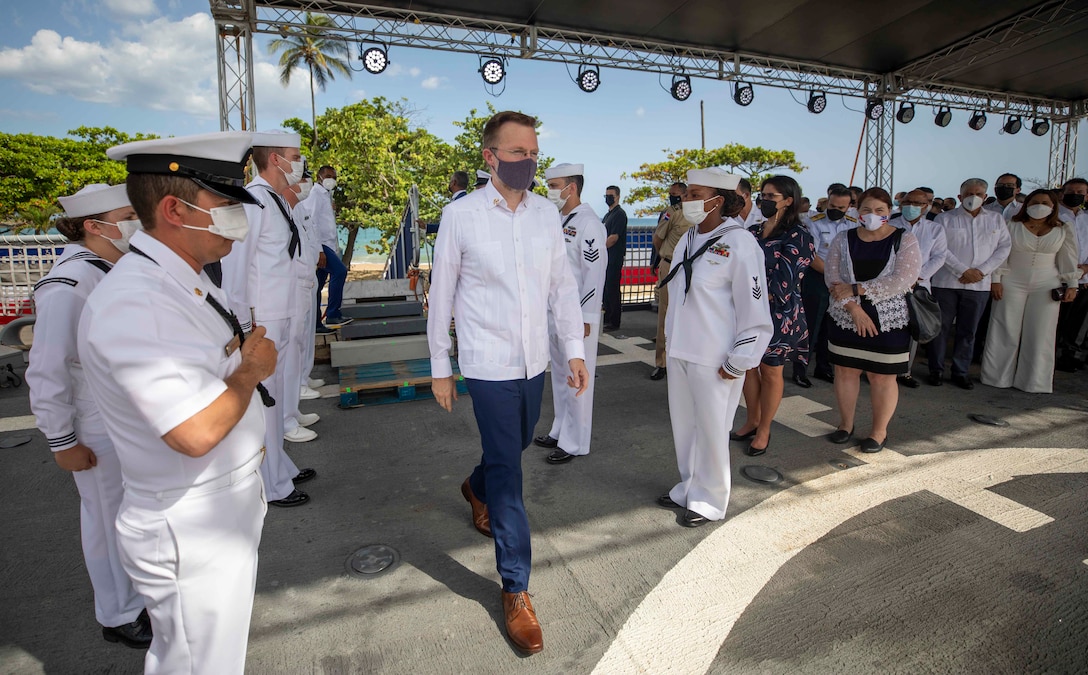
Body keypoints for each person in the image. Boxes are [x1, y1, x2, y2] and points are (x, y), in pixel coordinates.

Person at [80, 131, 277, 673]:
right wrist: (252, 371)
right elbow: (192, 432)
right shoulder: (137, 301)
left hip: (219, 507)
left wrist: (239, 358)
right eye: (226, 203)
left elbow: (209, 360)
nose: (238, 215)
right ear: (173, 209)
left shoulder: (183, 279)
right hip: (189, 523)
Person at [426, 111, 589, 655]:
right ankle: (516, 586)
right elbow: (441, 294)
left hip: (533, 361)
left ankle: (476, 486)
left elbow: (562, 288)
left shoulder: (546, 215)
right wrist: (440, 366)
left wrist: (574, 351)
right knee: (513, 475)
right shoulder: (462, 215)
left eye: (534, 152)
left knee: (511, 447)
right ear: (490, 157)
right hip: (487, 361)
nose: (529, 162)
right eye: (518, 153)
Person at [26, 184, 151, 649]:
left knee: (131, 515)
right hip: (95, 424)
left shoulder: (112, 268)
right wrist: (61, 440)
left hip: (124, 416)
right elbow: (47, 367)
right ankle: (119, 612)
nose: (136, 223)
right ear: (93, 226)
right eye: (127, 215)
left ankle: (138, 598)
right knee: (106, 518)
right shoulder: (70, 284)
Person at [656, 167, 772, 526]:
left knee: (712, 430)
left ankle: (710, 499)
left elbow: (755, 310)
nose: (686, 200)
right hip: (682, 349)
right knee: (685, 426)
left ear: (717, 201)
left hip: (716, 355)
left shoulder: (740, 243)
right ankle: (689, 485)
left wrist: (742, 358)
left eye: (694, 195)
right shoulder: (689, 236)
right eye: (686, 194)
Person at [220, 129, 315, 505]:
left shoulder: (276, 201)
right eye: (295, 155)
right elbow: (235, 267)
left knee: (275, 401)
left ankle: (280, 467)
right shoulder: (253, 202)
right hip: (265, 320)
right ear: (275, 159)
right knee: (265, 403)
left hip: (286, 311)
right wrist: (243, 328)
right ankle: (270, 485)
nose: (299, 162)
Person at [825, 188, 922, 453]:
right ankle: (845, 425)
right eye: (866, 210)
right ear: (857, 212)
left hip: (888, 319)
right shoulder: (843, 239)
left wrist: (857, 289)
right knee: (846, 371)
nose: (872, 215)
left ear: (889, 213)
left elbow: (903, 279)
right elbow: (833, 278)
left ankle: (879, 432)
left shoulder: (905, 239)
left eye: (880, 210)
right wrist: (854, 308)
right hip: (846, 315)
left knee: (882, 376)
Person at [730, 176, 814, 456]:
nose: (765, 200)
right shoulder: (752, 231)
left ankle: (764, 428)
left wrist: (751, 296)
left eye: (772, 196)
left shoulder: (798, 235)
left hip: (779, 311)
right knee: (748, 367)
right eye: (762, 195)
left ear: (788, 201)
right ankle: (751, 419)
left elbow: (787, 280)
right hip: (748, 309)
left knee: (771, 369)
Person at [532, 163, 607, 463]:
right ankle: (560, 429)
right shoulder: (559, 219)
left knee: (577, 380)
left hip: (577, 316)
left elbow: (594, 272)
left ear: (571, 188)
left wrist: (587, 317)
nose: (550, 192)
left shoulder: (588, 223)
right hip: (555, 312)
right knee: (561, 376)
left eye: (554, 185)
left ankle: (575, 442)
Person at [981, 189, 1080, 393]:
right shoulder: (1011, 225)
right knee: (1004, 328)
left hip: (1047, 283)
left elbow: (1068, 257)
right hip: (1012, 280)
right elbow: (1001, 254)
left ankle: (1034, 382)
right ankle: (996, 377)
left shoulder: (1063, 228)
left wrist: (1072, 284)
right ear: (1027, 204)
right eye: (1035, 201)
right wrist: (996, 280)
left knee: (1041, 332)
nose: (1040, 205)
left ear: (1053, 206)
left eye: (1045, 202)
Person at [927, 178, 1011, 389]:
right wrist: (964, 270)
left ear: (985, 197)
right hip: (946, 283)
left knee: (968, 331)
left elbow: (1004, 248)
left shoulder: (996, 220)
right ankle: (935, 370)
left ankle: (960, 371)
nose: (973, 197)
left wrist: (980, 272)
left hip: (978, 286)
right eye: (968, 194)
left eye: (978, 194)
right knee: (940, 329)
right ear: (960, 197)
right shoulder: (944, 219)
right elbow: (940, 249)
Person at [792, 186, 856, 386]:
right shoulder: (813, 222)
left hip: (843, 282)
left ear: (849, 206)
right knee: (811, 326)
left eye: (841, 207)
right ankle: (800, 369)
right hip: (818, 278)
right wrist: (833, 278)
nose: (835, 209)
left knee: (832, 325)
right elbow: (812, 256)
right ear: (827, 201)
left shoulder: (853, 225)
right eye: (832, 205)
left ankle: (823, 368)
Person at [889, 189, 948, 388]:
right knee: (889, 326)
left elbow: (939, 256)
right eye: (908, 202)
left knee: (913, 329)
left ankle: (905, 371)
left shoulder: (935, 229)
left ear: (926, 206)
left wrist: (916, 276)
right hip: (891, 284)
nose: (911, 206)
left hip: (919, 286)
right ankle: (883, 369)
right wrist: (899, 278)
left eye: (917, 203)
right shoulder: (890, 224)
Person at [281, 171, 323, 443]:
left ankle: (292, 410)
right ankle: (285, 419)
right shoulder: (271, 205)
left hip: (304, 281)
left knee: (298, 346)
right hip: (289, 288)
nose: (304, 184)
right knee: (288, 352)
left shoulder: (293, 208)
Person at [649, 181, 694, 380]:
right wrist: (664, 258)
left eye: (676, 194)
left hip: (691, 267)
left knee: (689, 314)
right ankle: (662, 362)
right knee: (665, 315)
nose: (673, 197)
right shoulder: (671, 212)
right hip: (669, 266)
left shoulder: (697, 214)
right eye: (671, 194)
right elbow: (658, 238)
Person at [312, 165, 350, 330]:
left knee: (317, 285)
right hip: (320, 244)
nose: (331, 180)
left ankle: (315, 323)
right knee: (340, 271)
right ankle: (333, 314)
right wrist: (319, 249)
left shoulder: (326, 195)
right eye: (328, 176)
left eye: (334, 177)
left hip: (328, 245)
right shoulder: (315, 194)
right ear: (319, 176)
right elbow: (311, 221)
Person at [1056, 178, 1088, 371]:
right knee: (1057, 321)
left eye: (1080, 192)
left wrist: (1085, 268)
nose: (1075, 195)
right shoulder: (1055, 216)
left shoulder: (1086, 218)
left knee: (1078, 322)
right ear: (1062, 194)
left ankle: (1071, 356)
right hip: (1058, 277)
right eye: (1071, 191)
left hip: (1084, 278)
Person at [601, 184, 627, 330]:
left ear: (617, 197)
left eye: (611, 196)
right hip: (606, 258)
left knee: (612, 288)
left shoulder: (619, 214)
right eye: (606, 196)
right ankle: (606, 316)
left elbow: (613, 238)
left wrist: (599, 248)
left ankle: (614, 321)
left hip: (614, 257)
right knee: (605, 288)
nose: (608, 198)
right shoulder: (607, 215)